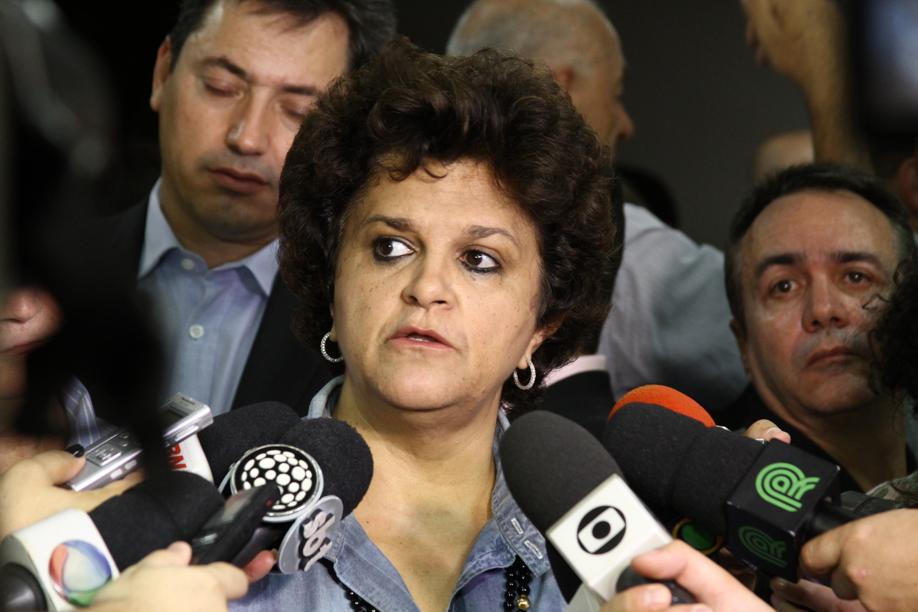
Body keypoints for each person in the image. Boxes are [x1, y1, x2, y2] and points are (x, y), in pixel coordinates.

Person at [235, 38, 620, 610]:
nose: (427, 287)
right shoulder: (218, 527)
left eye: (479, 260)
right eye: (390, 247)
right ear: (332, 282)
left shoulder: (608, 551)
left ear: (542, 324)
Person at [20, 0, 398, 449]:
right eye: (222, 87)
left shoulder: (366, 322)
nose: (247, 137)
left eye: (298, 110)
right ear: (163, 73)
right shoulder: (37, 280)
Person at [446, 0, 748, 414]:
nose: (626, 124)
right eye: (616, 95)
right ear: (558, 90)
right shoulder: (632, 251)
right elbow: (776, 346)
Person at [724, 162, 918, 492]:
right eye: (783, 286)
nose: (823, 310)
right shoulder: (727, 485)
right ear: (744, 343)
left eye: (856, 277)